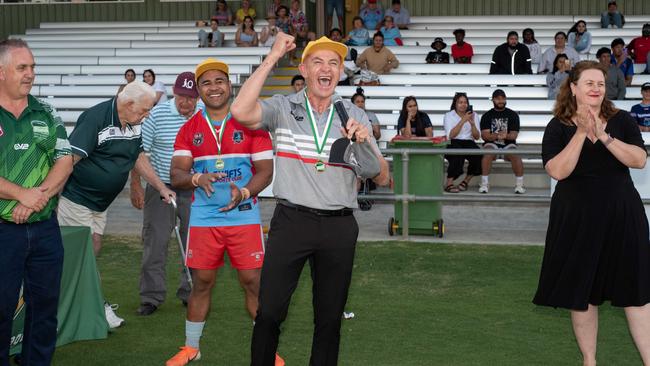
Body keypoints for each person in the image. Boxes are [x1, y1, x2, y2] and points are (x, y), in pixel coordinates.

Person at [230, 33, 390, 366]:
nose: (326, 69)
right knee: (270, 312)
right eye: (318, 61)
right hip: (292, 222)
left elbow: (380, 175)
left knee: (329, 319)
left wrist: (363, 141)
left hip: (339, 226)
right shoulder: (283, 106)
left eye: (334, 63)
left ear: (340, 72)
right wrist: (273, 56)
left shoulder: (354, 115)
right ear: (304, 69)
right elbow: (240, 110)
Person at [533, 60, 650, 366]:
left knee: (636, 291)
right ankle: (589, 360)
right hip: (576, 218)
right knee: (582, 293)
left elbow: (639, 160)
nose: (597, 88)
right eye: (589, 83)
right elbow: (558, 170)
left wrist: (604, 136)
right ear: (573, 88)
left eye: (601, 83)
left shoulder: (622, 120)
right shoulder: (557, 126)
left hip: (622, 215)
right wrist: (582, 133)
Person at [164, 58, 275, 366]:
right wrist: (196, 178)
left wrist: (246, 192)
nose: (214, 87)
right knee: (201, 282)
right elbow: (176, 174)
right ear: (198, 90)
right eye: (206, 83)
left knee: (253, 281)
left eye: (219, 81)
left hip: (243, 215)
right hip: (204, 218)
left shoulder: (252, 123)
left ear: (230, 85)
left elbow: (266, 170)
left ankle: (265, 350)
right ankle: (191, 348)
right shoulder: (189, 129)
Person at [57, 81, 176, 328]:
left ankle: (74, 302)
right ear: (128, 103)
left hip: (100, 203)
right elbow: (70, 159)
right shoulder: (95, 118)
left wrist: (161, 187)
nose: (148, 114)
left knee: (92, 249)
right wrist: (49, 193)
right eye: (144, 110)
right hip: (76, 197)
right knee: (85, 253)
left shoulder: (134, 123)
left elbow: (138, 157)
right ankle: (96, 306)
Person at [0, 39, 73, 366]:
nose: (30, 74)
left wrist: (36, 197)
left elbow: (65, 160)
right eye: (22, 68)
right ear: (1, 72)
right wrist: (20, 194)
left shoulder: (46, 111)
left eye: (32, 67)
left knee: (44, 308)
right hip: (3, 232)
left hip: (44, 228)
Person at [129, 72, 200, 316]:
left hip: (195, 188)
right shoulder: (157, 114)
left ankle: (190, 292)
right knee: (155, 242)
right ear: (174, 92)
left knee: (195, 243)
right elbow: (139, 151)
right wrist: (136, 185)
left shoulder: (204, 116)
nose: (186, 103)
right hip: (160, 186)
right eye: (182, 96)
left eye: (191, 98)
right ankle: (151, 297)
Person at [478, 89, 525, 194]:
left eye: (503, 98)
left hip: (509, 145)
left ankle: (519, 185)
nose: (501, 101)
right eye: (498, 99)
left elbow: (514, 135)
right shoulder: (487, 116)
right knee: (488, 153)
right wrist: (497, 135)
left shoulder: (513, 115)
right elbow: (485, 136)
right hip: (491, 144)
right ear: (493, 100)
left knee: (516, 155)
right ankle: (485, 184)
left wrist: (506, 135)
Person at [443, 92, 481, 193]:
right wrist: (463, 121)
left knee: (478, 155)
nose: (463, 104)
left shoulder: (474, 115)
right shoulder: (448, 115)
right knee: (457, 154)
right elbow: (451, 135)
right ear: (455, 104)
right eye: (460, 102)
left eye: (465, 102)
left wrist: (472, 124)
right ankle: (449, 183)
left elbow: (477, 137)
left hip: (468, 141)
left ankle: (465, 181)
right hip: (453, 141)